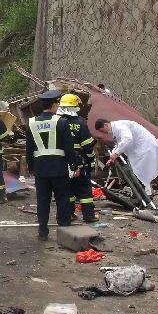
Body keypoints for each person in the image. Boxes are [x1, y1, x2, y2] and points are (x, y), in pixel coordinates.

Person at [27, 90, 78, 239]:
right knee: (62, 199)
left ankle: (43, 232)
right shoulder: (62, 122)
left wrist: (31, 166)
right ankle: (64, 231)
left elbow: (29, 148)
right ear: (55, 105)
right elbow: (69, 147)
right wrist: (73, 166)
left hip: (40, 169)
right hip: (59, 168)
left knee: (42, 200)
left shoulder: (31, 123)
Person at [96, 118, 158, 194]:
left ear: (106, 125)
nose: (103, 133)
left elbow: (127, 139)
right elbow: (119, 144)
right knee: (140, 172)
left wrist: (116, 153)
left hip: (146, 147)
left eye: (102, 130)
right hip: (141, 149)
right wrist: (112, 157)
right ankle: (145, 193)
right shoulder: (113, 130)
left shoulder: (119, 126)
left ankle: (146, 194)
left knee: (141, 172)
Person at [57, 94, 98, 222]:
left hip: (62, 162)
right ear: (75, 106)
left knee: (67, 190)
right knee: (84, 189)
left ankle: (68, 214)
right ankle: (88, 215)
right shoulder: (80, 122)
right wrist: (91, 161)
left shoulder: (56, 122)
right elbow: (87, 146)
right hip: (79, 162)